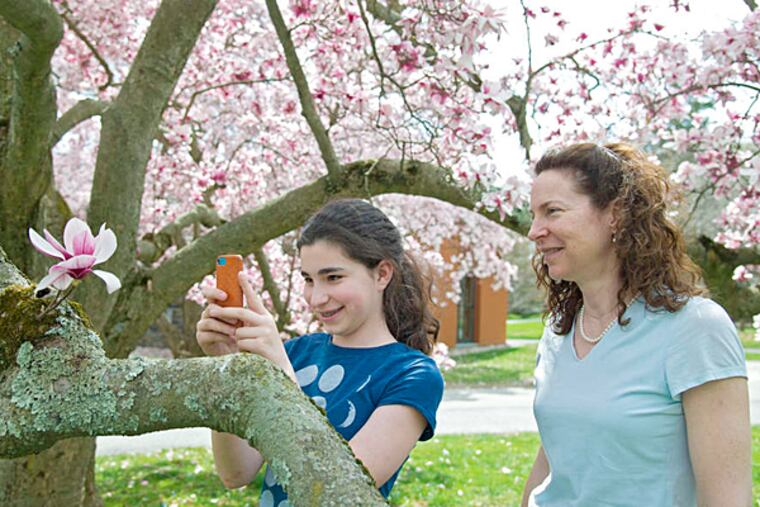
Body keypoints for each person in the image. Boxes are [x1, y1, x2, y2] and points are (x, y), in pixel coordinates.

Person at [520, 143, 751, 507]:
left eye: (553, 212)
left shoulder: (695, 328)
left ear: (615, 214)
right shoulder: (559, 330)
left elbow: (727, 499)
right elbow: (555, 458)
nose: (535, 231)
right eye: (534, 215)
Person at [196, 198, 444, 505]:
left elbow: (338, 488)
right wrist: (227, 364)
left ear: (382, 274)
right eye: (308, 279)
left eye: (333, 277)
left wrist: (282, 375)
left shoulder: (412, 375)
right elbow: (235, 473)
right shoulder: (296, 353)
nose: (317, 297)